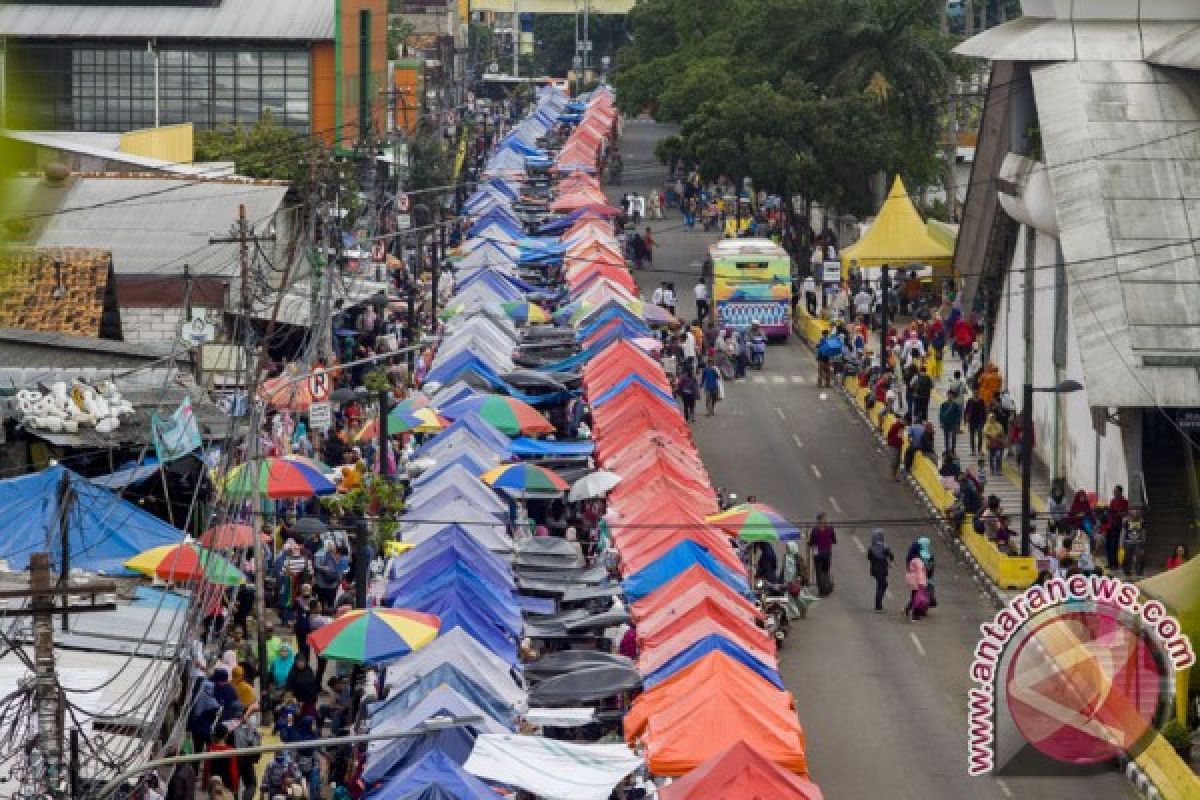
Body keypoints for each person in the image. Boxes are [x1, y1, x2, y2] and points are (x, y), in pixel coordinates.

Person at [203, 725, 239, 795]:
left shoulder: (210, 749)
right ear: (226, 735)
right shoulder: (230, 750)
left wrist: (205, 784)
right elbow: (234, 771)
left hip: (214, 784)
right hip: (227, 785)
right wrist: (235, 787)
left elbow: (207, 768)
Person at [866, 530, 894, 612]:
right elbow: (891, 555)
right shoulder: (885, 547)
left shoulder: (871, 548)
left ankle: (878, 604)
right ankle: (878, 606)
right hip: (882, 568)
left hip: (874, 569)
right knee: (882, 585)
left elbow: (869, 557)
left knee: (882, 584)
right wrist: (891, 562)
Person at [809, 512, 837, 596]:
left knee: (818, 571)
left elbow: (811, 542)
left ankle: (821, 590)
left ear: (818, 521)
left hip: (817, 552)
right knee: (825, 570)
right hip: (827, 552)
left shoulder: (815, 530)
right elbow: (834, 540)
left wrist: (809, 543)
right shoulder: (830, 529)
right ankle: (825, 588)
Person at [904, 542, 929, 621]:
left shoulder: (910, 558)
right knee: (917, 598)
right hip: (917, 581)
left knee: (914, 596)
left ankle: (907, 610)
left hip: (912, 580)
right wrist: (922, 583)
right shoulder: (918, 560)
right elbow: (920, 572)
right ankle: (915, 615)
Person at [1121, 509, 1146, 577]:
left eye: (1137, 510)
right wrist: (1121, 542)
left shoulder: (1141, 520)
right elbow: (1123, 532)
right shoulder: (1126, 520)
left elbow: (1143, 532)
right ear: (1130, 511)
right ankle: (1127, 572)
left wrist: (1144, 541)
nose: (1135, 511)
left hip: (1138, 542)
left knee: (1139, 557)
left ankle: (1138, 572)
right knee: (1127, 558)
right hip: (1128, 542)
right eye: (1133, 509)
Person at [964, 391, 987, 456]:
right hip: (972, 421)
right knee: (972, 436)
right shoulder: (970, 401)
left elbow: (984, 411)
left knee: (980, 436)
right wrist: (965, 420)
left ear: (978, 393)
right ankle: (973, 451)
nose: (976, 394)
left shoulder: (981, 401)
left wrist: (984, 420)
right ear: (973, 393)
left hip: (980, 421)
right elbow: (966, 410)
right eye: (975, 393)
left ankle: (979, 450)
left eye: (977, 393)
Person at [886, 415, 907, 480]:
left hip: (899, 444)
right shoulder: (896, 425)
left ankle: (895, 475)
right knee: (894, 460)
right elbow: (889, 433)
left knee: (898, 460)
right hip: (894, 444)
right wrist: (891, 441)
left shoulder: (902, 426)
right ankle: (893, 475)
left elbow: (900, 435)